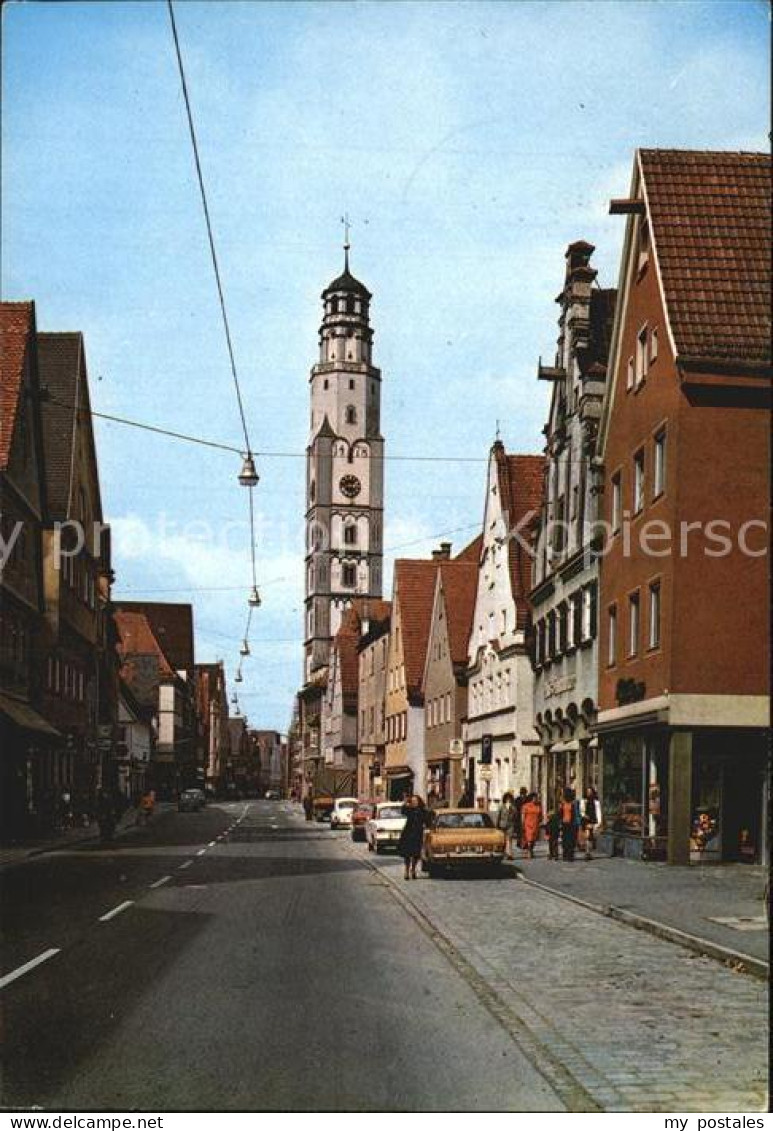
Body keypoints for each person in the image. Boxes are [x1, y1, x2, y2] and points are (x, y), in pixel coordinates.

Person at [397, 794, 429, 880]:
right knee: (407, 854)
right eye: (413, 801)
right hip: (408, 833)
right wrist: (406, 802)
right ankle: (406, 871)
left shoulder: (423, 811)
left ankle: (413, 870)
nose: (414, 802)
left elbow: (427, 820)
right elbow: (403, 811)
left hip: (417, 834)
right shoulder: (409, 809)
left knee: (416, 854)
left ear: (419, 802)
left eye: (416, 801)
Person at [579, 786, 601, 860]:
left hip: (593, 820)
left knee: (590, 836)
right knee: (588, 836)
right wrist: (584, 815)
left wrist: (599, 822)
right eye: (588, 791)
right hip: (586, 820)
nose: (589, 793)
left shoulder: (596, 802)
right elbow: (581, 810)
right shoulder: (583, 801)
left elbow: (598, 812)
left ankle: (588, 852)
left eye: (590, 791)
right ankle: (587, 852)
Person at [559, 787, 580, 861]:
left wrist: (577, 824)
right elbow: (560, 814)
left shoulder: (574, 803)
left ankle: (570, 855)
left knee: (571, 840)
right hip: (565, 824)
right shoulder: (563, 803)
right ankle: (565, 855)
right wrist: (560, 823)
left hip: (572, 824)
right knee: (565, 840)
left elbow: (576, 814)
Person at [520, 792, 543, 858]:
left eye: (536, 798)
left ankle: (531, 850)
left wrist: (540, 821)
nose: (536, 799)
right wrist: (522, 823)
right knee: (529, 838)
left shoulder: (538, 806)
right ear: (531, 798)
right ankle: (529, 852)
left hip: (535, 824)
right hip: (528, 824)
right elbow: (523, 815)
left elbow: (540, 815)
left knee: (533, 839)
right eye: (534, 798)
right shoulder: (526, 805)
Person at [496, 792, 517, 859]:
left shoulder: (513, 807)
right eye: (507, 799)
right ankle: (502, 852)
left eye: (510, 799)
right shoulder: (501, 807)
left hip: (510, 825)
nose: (508, 800)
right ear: (505, 799)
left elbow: (516, 816)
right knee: (503, 840)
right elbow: (498, 816)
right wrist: (497, 825)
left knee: (509, 839)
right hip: (502, 825)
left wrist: (511, 809)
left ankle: (509, 854)